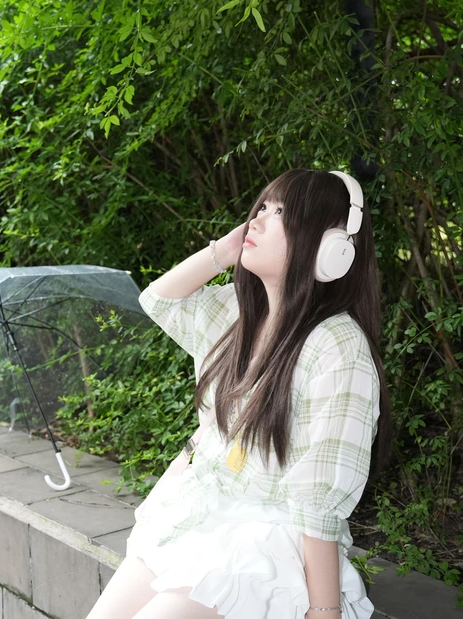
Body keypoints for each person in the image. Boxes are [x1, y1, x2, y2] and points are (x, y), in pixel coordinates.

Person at [85, 168, 393, 619]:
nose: (258, 220)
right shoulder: (240, 313)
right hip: (200, 518)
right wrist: (224, 251)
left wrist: (324, 609)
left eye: (281, 212)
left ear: (332, 250)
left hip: (265, 545)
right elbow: (159, 301)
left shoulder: (337, 346)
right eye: (261, 207)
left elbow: (318, 497)